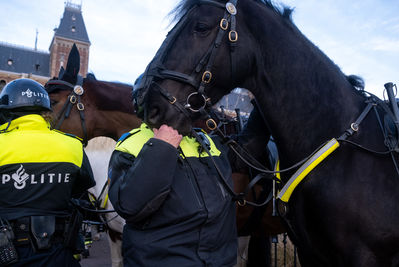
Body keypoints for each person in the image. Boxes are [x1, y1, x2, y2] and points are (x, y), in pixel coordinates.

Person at [108, 84, 237, 267]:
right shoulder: (131, 144)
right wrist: (161, 148)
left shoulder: (204, 140)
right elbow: (129, 205)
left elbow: (243, 158)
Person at [0, 78, 95, 266]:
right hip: (58, 254)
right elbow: (81, 192)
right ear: (46, 113)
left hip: (7, 255)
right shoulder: (73, 145)